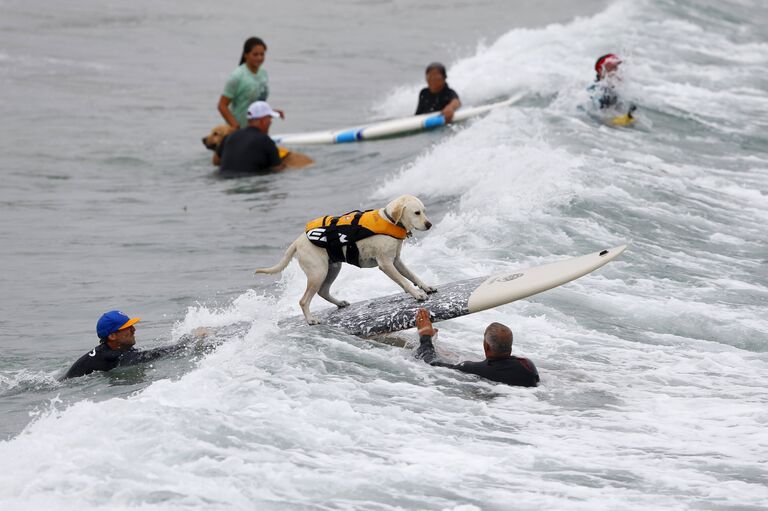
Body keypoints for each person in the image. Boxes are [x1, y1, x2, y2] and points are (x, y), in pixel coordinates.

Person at [413, 308, 539, 387]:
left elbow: (429, 362)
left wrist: (425, 335)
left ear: (487, 346)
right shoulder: (527, 366)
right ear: (510, 347)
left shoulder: (473, 368)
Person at [62, 311, 187, 380]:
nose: (134, 330)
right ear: (112, 336)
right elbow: (153, 355)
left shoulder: (114, 349)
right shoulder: (113, 355)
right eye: (127, 328)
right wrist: (187, 343)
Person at [218, 37, 283, 130]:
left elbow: (257, 103)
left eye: (262, 54)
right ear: (246, 55)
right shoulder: (237, 76)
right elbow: (222, 105)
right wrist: (235, 125)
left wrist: (270, 112)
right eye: (255, 54)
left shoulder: (263, 73)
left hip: (258, 129)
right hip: (239, 130)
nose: (259, 58)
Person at [214, 101, 285, 175]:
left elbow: (215, 161)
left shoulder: (229, 136)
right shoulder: (266, 141)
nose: (271, 122)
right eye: (270, 118)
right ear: (262, 121)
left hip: (222, 179)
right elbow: (277, 169)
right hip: (249, 180)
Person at [587, 53, 636, 121]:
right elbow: (595, 117)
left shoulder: (616, 92)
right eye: (613, 68)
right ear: (601, 71)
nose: (617, 73)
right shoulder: (595, 92)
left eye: (617, 68)